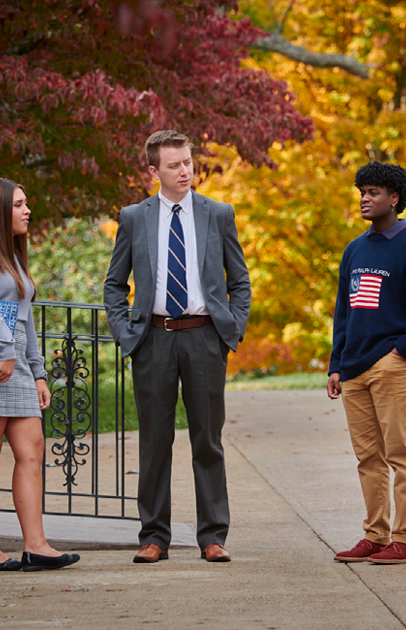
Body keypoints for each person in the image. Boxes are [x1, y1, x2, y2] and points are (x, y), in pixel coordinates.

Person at [104, 130, 251, 564]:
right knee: (154, 442)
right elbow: (114, 284)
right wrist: (125, 332)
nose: (185, 170)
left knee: (208, 439)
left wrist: (232, 329)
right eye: (174, 164)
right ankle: (153, 537)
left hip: (205, 338)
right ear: (153, 171)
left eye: (188, 162)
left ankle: (212, 537)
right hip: (153, 340)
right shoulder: (133, 217)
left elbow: (239, 280)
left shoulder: (218, 214)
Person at [0, 178, 80, 572]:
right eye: (19, 205)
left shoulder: (11, 251)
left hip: (19, 364)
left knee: (33, 449)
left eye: (27, 203)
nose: (28, 211)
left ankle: (37, 545)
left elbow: (23, 320)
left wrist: (39, 372)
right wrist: (4, 354)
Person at [327, 162, 406, 565]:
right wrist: (337, 363)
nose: (365, 199)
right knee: (367, 458)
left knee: (401, 454)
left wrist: (403, 350)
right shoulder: (355, 249)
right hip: (353, 368)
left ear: (394, 198)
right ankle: (375, 535)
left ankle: (405, 539)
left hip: (392, 365)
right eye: (362, 192)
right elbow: (344, 312)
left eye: (373, 192)